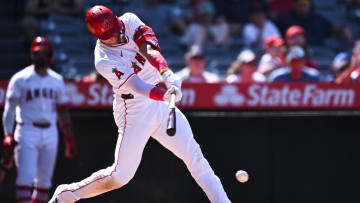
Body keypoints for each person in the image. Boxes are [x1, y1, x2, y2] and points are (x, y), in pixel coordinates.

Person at [48, 5, 231, 203]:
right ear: (98, 36)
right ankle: (66, 194)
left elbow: (149, 48)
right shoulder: (103, 59)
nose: (116, 35)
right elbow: (136, 85)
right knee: (120, 176)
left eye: (116, 28)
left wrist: (166, 73)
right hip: (133, 110)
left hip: (158, 104)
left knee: (195, 157)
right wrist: (164, 94)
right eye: (110, 34)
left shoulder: (129, 21)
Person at [2, 36, 78, 203]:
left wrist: (69, 138)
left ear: (50, 55)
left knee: (44, 183)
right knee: (25, 180)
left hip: (51, 131)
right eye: (37, 53)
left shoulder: (56, 80)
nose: (40, 56)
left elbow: (63, 111)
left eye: (44, 53)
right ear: (31, 54)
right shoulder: (20, 78)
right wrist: (8, 134)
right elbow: (10, 109)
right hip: (26, 130)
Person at [274, 0, 352, 46]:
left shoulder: (318, 19)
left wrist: (342, 29)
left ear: (310, 5)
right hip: (293, 53)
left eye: (305, 5)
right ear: (294, 5)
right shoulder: (283, 19)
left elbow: (332, 29)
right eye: (299, 4)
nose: (302, 7)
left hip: (318, 53)